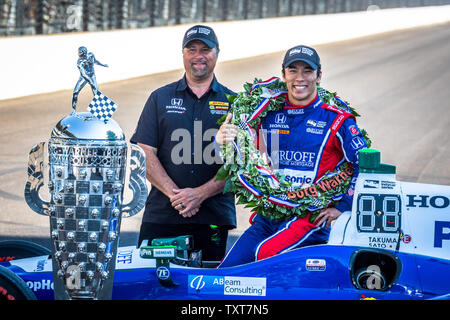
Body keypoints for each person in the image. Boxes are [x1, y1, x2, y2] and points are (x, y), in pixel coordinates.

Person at [215, 45, 368, 267]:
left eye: (307, 70)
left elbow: (363, 163)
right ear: (284, 74)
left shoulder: (337, 119)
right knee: (229, 268)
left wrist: (343, 206)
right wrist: (222, 142)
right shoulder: (268, 111)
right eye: (293, 70)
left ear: (319, 75)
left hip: (308, 217)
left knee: (264, 257)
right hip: (271, 214)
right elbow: (238, 154)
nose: (300, 78)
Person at [130, 25, 236, 262]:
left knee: (204, 287)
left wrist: (199, 194)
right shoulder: (160, 97)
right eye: (192, 49)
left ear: (217, 53)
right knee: (150, 285)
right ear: (183, 54)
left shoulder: (235, 103)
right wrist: (176, 195)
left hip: (212, 216)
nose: (198, 56)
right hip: (163, 214)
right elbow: (143, 152)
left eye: (206, 49)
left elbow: (240, 164)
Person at [72, 46, 108, 113]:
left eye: (80, 52)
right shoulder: (79, 62)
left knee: (96, 92)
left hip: (92, 75)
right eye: (78, 52)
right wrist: (90, 82)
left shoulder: (91, 55)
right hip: (84, 78)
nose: (78, 53)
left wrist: (103, 65)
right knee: (75, 92)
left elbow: (95, 61)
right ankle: (73, 110)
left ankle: (101, 110)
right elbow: (83, 74)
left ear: (84, 52)